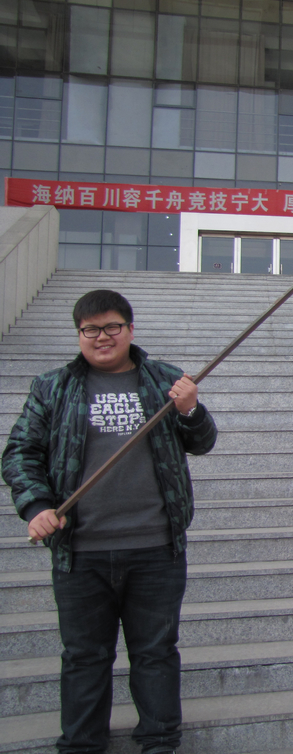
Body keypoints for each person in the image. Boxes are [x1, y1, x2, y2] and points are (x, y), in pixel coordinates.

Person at [2, 290, 217, 754]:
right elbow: (20, 453)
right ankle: (82, 745)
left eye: (112, 327)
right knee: (85, 657)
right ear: (79, 334)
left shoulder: (166, 380)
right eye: (91, 330)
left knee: (156, 653)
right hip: (81, 552)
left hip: (156, 549)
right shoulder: (53, 387)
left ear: (130, 329)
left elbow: (201, 442)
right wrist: (36, 506)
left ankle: (159, 742)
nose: (102, 337)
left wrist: (191, 409)